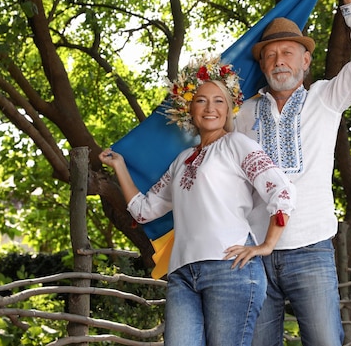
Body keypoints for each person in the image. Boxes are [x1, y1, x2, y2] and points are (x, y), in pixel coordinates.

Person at [234, 0, 351, 346]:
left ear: (306, 60)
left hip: (312, 247)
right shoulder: (241, 113)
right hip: (254, 250)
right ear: (262, 65)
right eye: (269, 55)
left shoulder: (326, 97)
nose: (278, 60)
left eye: (287, 53)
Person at [99, 55, 297, 346]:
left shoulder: (237, 144)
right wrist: (119, 166)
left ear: (229, 108)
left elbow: (282, 192)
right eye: (201, 100)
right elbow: (143, 210)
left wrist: (266, 245)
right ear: (189, 108)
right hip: (182, 273)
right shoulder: (182, 160)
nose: (210, 108)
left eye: (219, 101)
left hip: (230, 269)